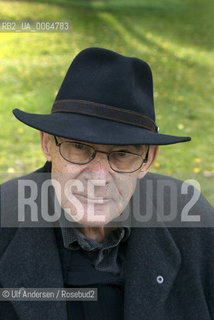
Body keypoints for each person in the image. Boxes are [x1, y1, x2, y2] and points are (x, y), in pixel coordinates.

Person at [0, 47, 213, 320]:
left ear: (147, 160)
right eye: (78, 147)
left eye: (122, 154)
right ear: (46, 144)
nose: (98, 178)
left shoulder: (195, 223)